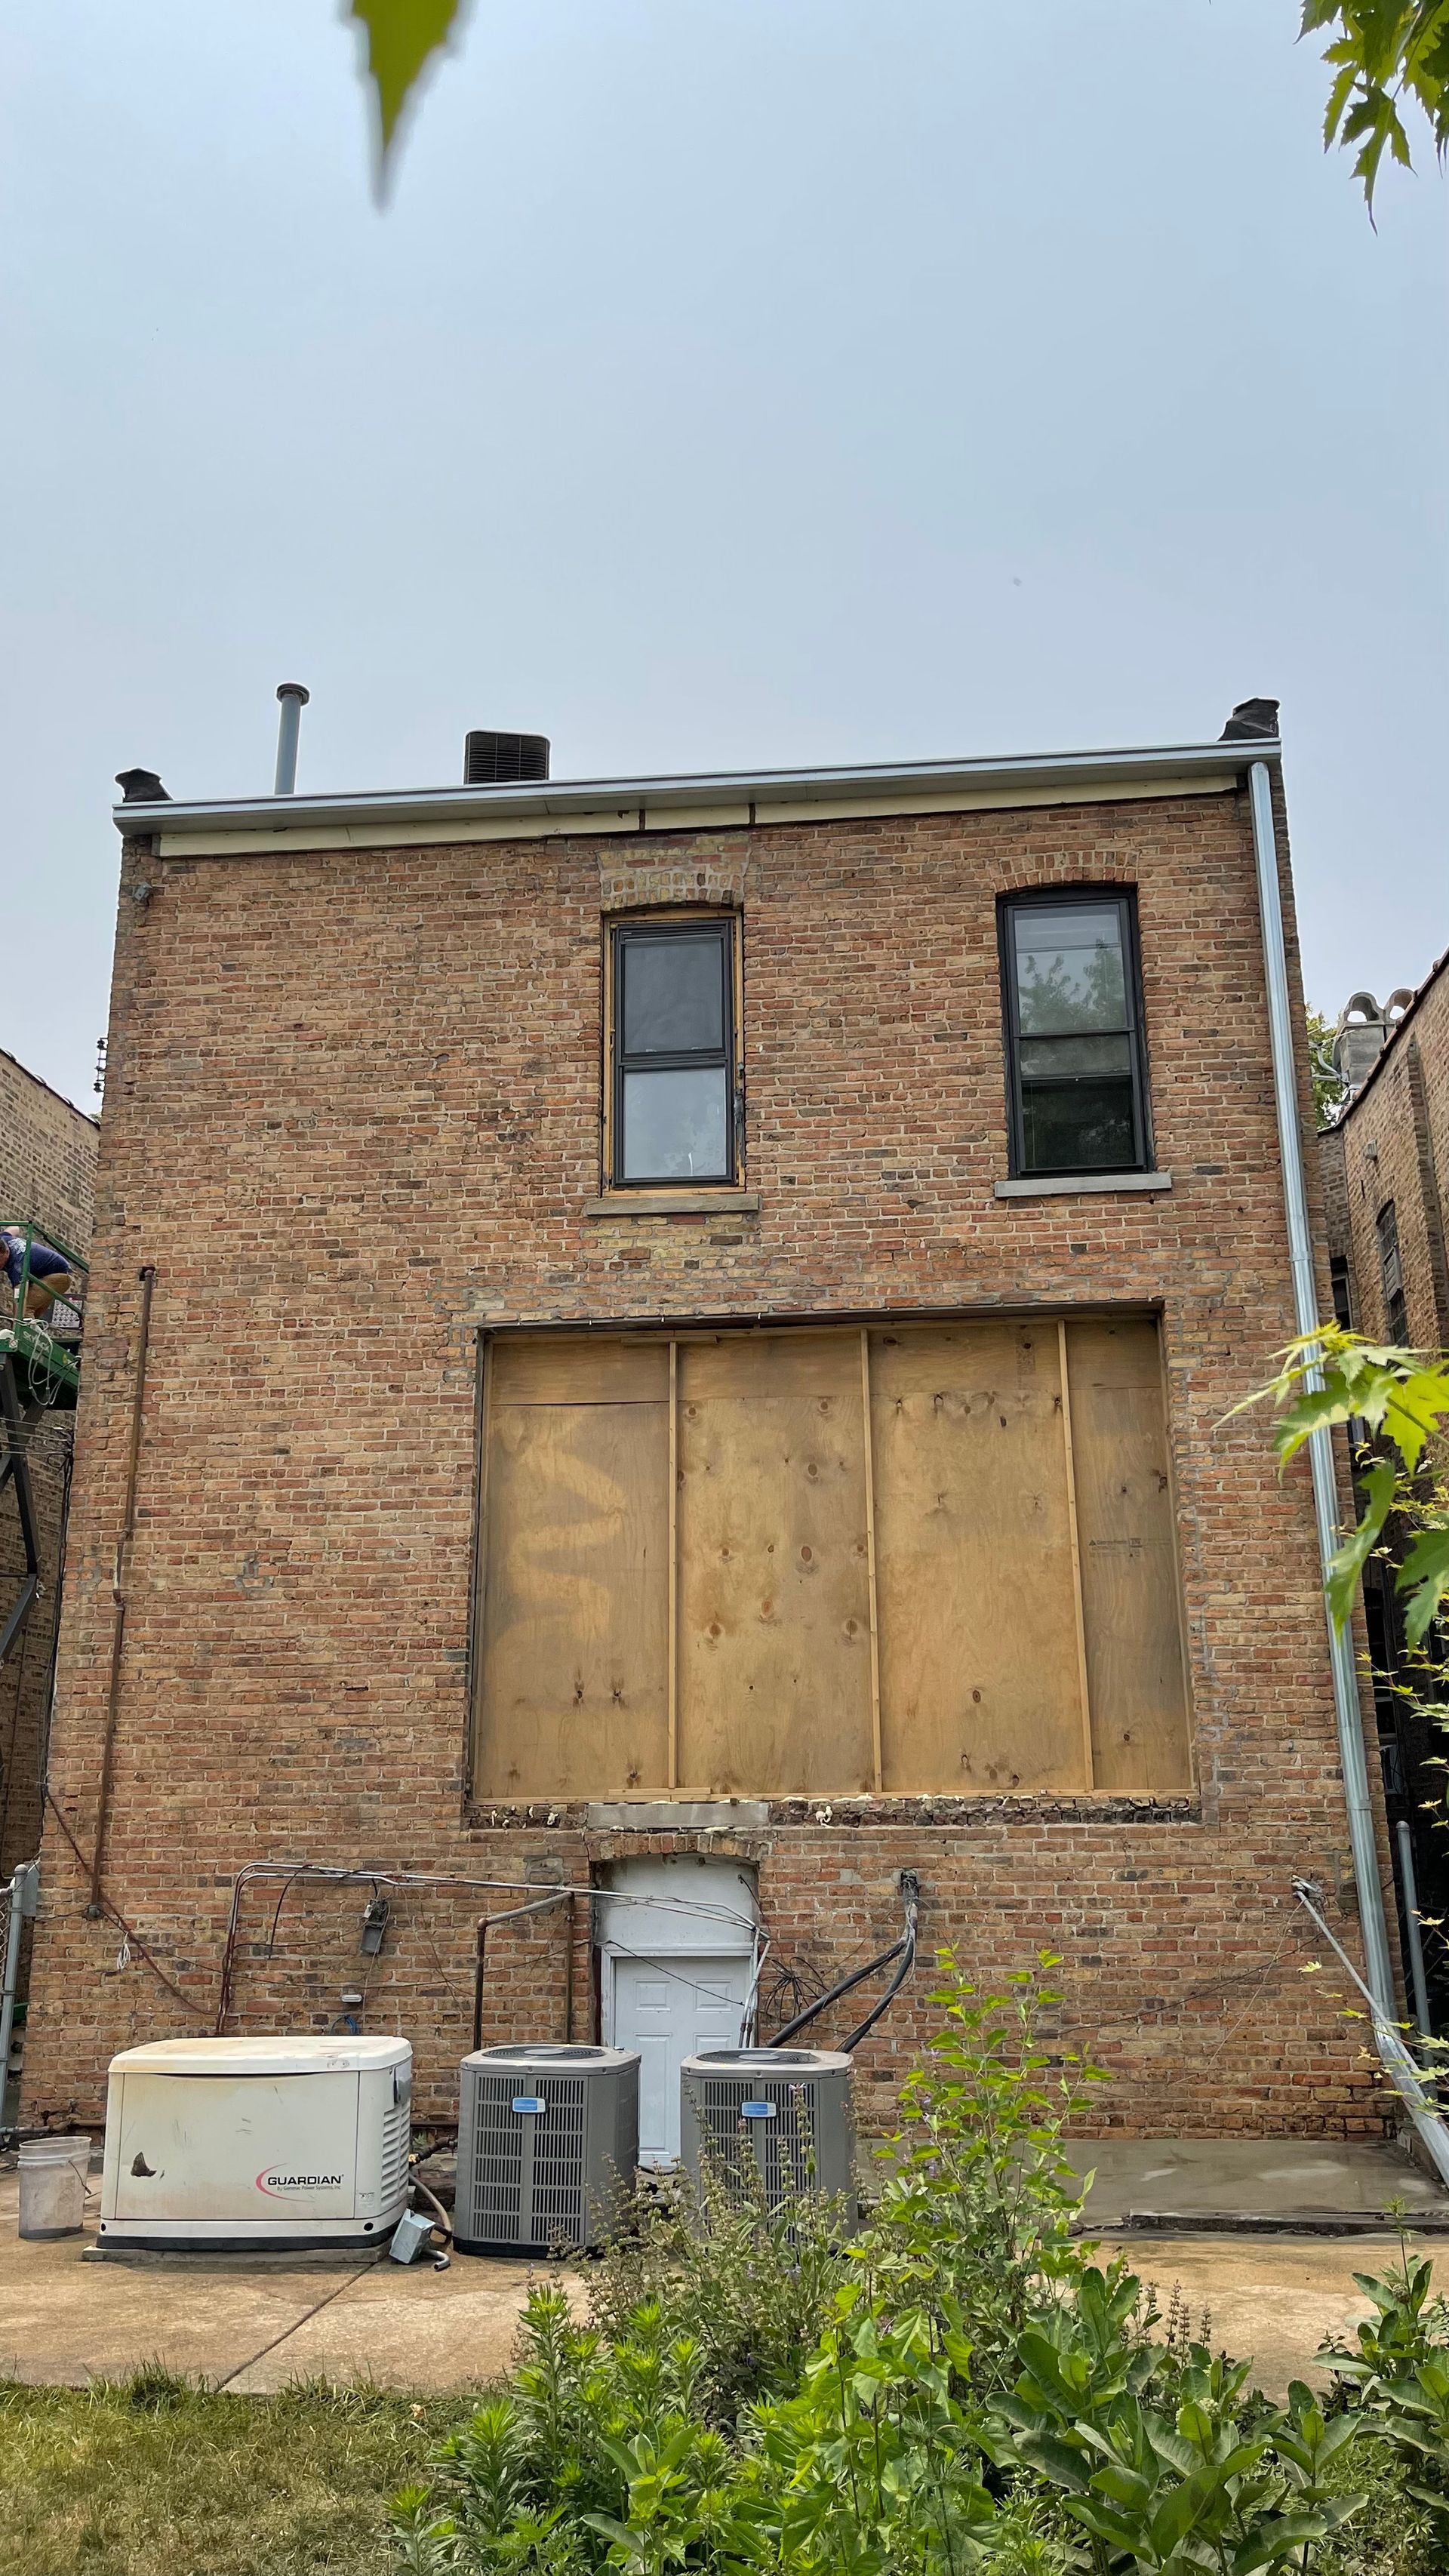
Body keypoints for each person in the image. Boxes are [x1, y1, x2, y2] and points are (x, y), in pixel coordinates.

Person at [2, 1227, 74, 1322]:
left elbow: (20, 1295)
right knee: (34, 1314)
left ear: (6, 1252)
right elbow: (15, 1228)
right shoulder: (3, 1239)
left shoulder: (18, 1264)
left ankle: (22, 1335)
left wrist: (17, 1322)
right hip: (42, 1274)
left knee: (24, 1309)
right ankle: (33, 1333)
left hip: (57, 1276)